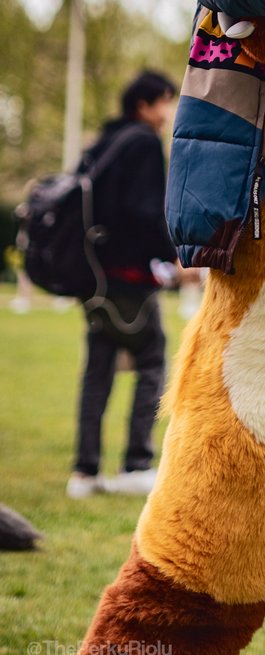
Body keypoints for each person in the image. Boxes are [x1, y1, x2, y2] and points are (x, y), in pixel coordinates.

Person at [66, 70, 178, 500]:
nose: (169, 111)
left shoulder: (103, 143)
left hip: (92, 277)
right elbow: (145, 211)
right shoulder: (144, 143)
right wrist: (172, 255)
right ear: (145, 105)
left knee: (98, 371)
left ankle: (84, 472)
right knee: (151, 362)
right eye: (165, 101)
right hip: (130, 279)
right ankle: (136, 463)